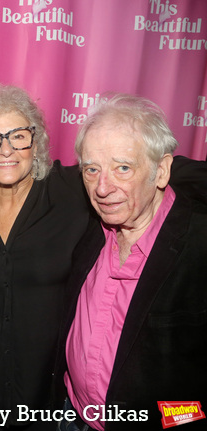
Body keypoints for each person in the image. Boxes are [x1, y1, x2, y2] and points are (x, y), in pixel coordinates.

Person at [57, 94, 207, 431]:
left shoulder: (198, 245)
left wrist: (172, 423)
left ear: (161, 170)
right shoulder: (88, 227)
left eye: (123, 167)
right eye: (92, 169)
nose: (103, 187)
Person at [0, 85, 91, 431]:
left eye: (17, 136)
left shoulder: (70, 190)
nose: (6, 149)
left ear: (35, 142)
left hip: (49, 394)